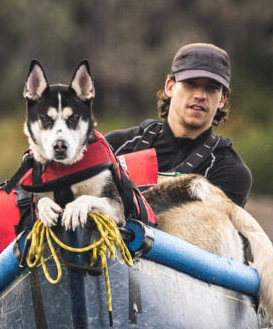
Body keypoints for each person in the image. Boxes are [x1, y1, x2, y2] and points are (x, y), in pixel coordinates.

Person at [104, 41, 251, 208]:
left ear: (222, 99)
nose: (200, 95)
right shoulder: (115, 145)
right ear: (170, 86)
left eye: (211, 88)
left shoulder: (229, 171)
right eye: (191, 83)